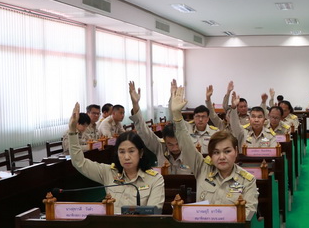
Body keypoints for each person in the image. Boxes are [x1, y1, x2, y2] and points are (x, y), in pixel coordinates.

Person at [170, 85, 258, 220]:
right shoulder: (202, 168)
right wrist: (177, 116)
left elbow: (249, 212)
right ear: (210, 155)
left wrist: (220, 219)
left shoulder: (247, 180)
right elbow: (187, 145)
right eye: (216, 152)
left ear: (236, 151)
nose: (222, 157)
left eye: (227, 151)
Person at [68, 102, 164, 211]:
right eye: (122, 152)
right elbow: (79, 162)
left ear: (141, 153)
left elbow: (153, 214)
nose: (126, 157)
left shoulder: (155, 179)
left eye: (131, 151)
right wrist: (72, 131)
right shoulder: (108, 173)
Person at [128, 81, 193, 174]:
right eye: (170, 144)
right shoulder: (160, 147)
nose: (174, 148)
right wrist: (135, 104)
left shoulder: (191, 150)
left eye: (177, 144)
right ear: (165, 141)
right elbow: (143, 130)